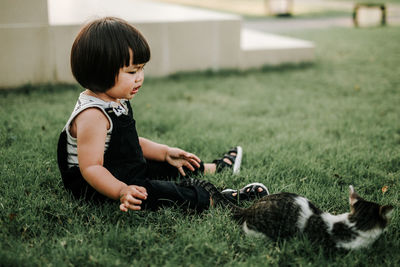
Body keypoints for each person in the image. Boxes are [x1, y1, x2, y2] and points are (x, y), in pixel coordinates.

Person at [57, 17, 268, 213]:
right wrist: (122, 190)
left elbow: (127, 145)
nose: (140, 78)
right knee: (154, 191)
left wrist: (166, 152)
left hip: (118, 167)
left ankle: (213, 168)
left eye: (142, 69)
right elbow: (91, 168)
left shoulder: (114, 101)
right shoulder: (92, 115)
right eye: (132, 72)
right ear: (101, 71)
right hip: (97, 185)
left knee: (163, 164)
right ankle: (218, 199)